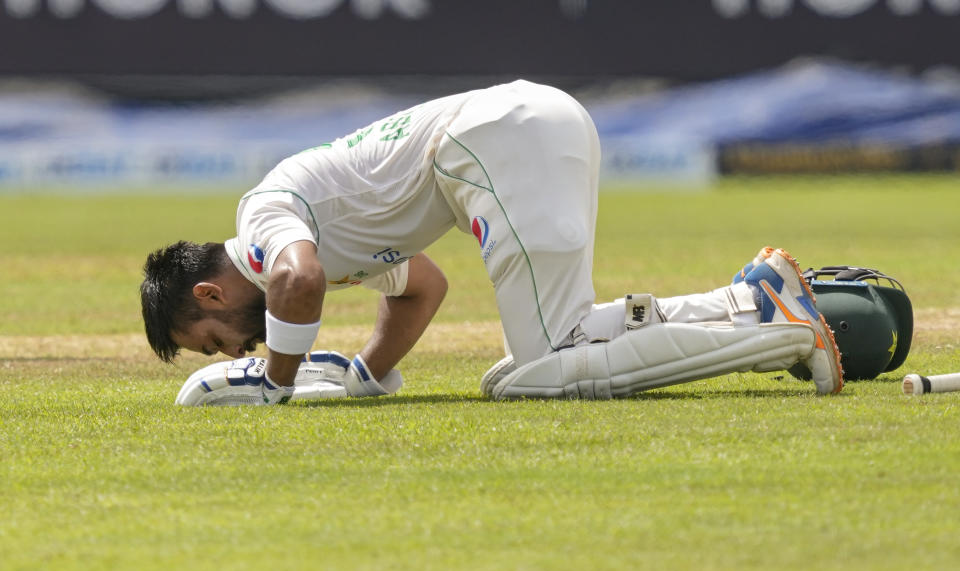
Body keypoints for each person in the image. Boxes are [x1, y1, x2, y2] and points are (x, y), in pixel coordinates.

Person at [141, 80, 843, 405]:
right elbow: (423, 287)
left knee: (536, 373)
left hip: (490, 143)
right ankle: (750, 301)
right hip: (534, 122)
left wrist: (277, 388)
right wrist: (366, 375)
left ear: (210, 292)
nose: (236, 352)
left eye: (212, 339)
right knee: (549, 350)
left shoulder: (265, 224)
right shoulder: (316, 237)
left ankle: (779, 333)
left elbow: (300, 282)